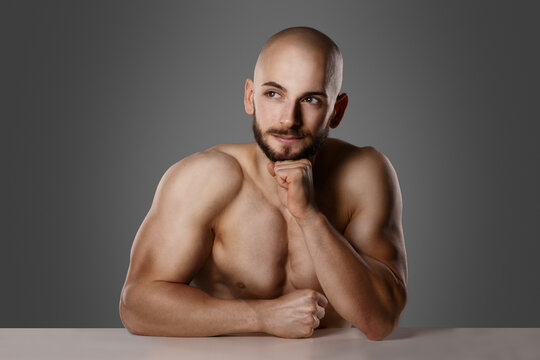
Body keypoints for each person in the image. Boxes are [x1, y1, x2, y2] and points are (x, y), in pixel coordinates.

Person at [119, 26, 407, 340]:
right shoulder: (204, 178)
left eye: (310, 99)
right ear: (250, 96)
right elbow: (136, 305)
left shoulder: (363, 174)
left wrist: (310, 217)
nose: (288, 119)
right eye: (273, 93)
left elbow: (380, 320)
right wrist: (262, 316)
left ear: (336, 110)